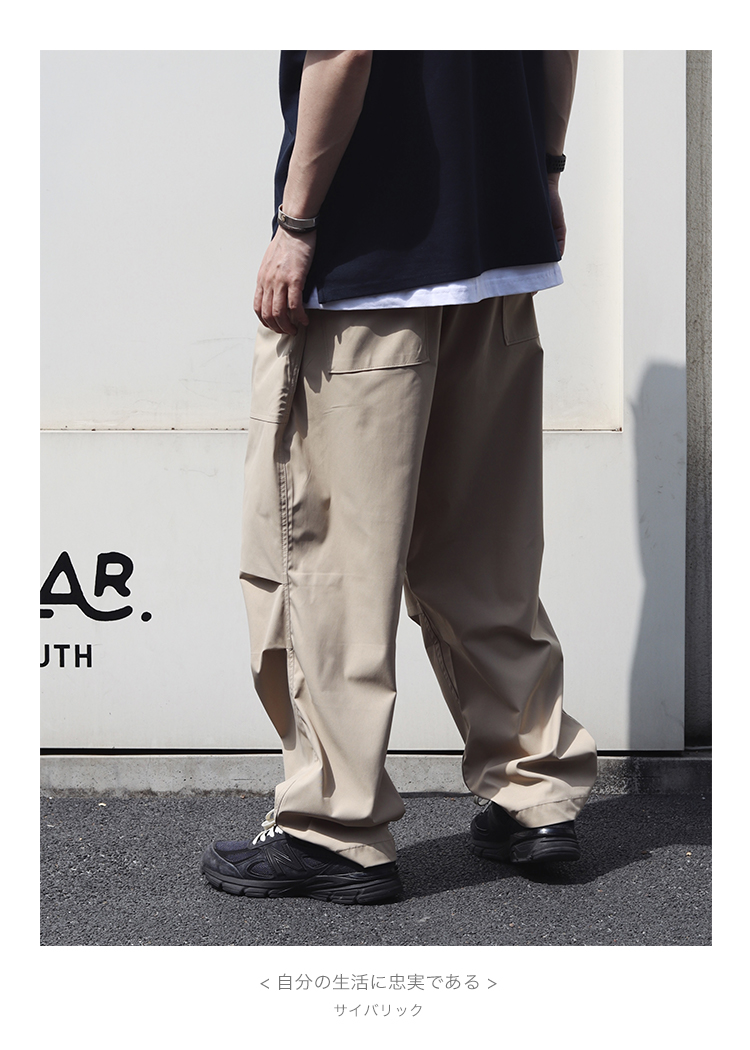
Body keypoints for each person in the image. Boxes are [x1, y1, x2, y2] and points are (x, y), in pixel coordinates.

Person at [201, 50, 598, 903]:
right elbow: (559, 38)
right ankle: (535, 793)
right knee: (484, 553)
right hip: (499, 248)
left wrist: (296, 225)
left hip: (371, 266)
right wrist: (544, 172)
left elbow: (345, 46)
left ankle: (333, 826)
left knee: (329, 560)